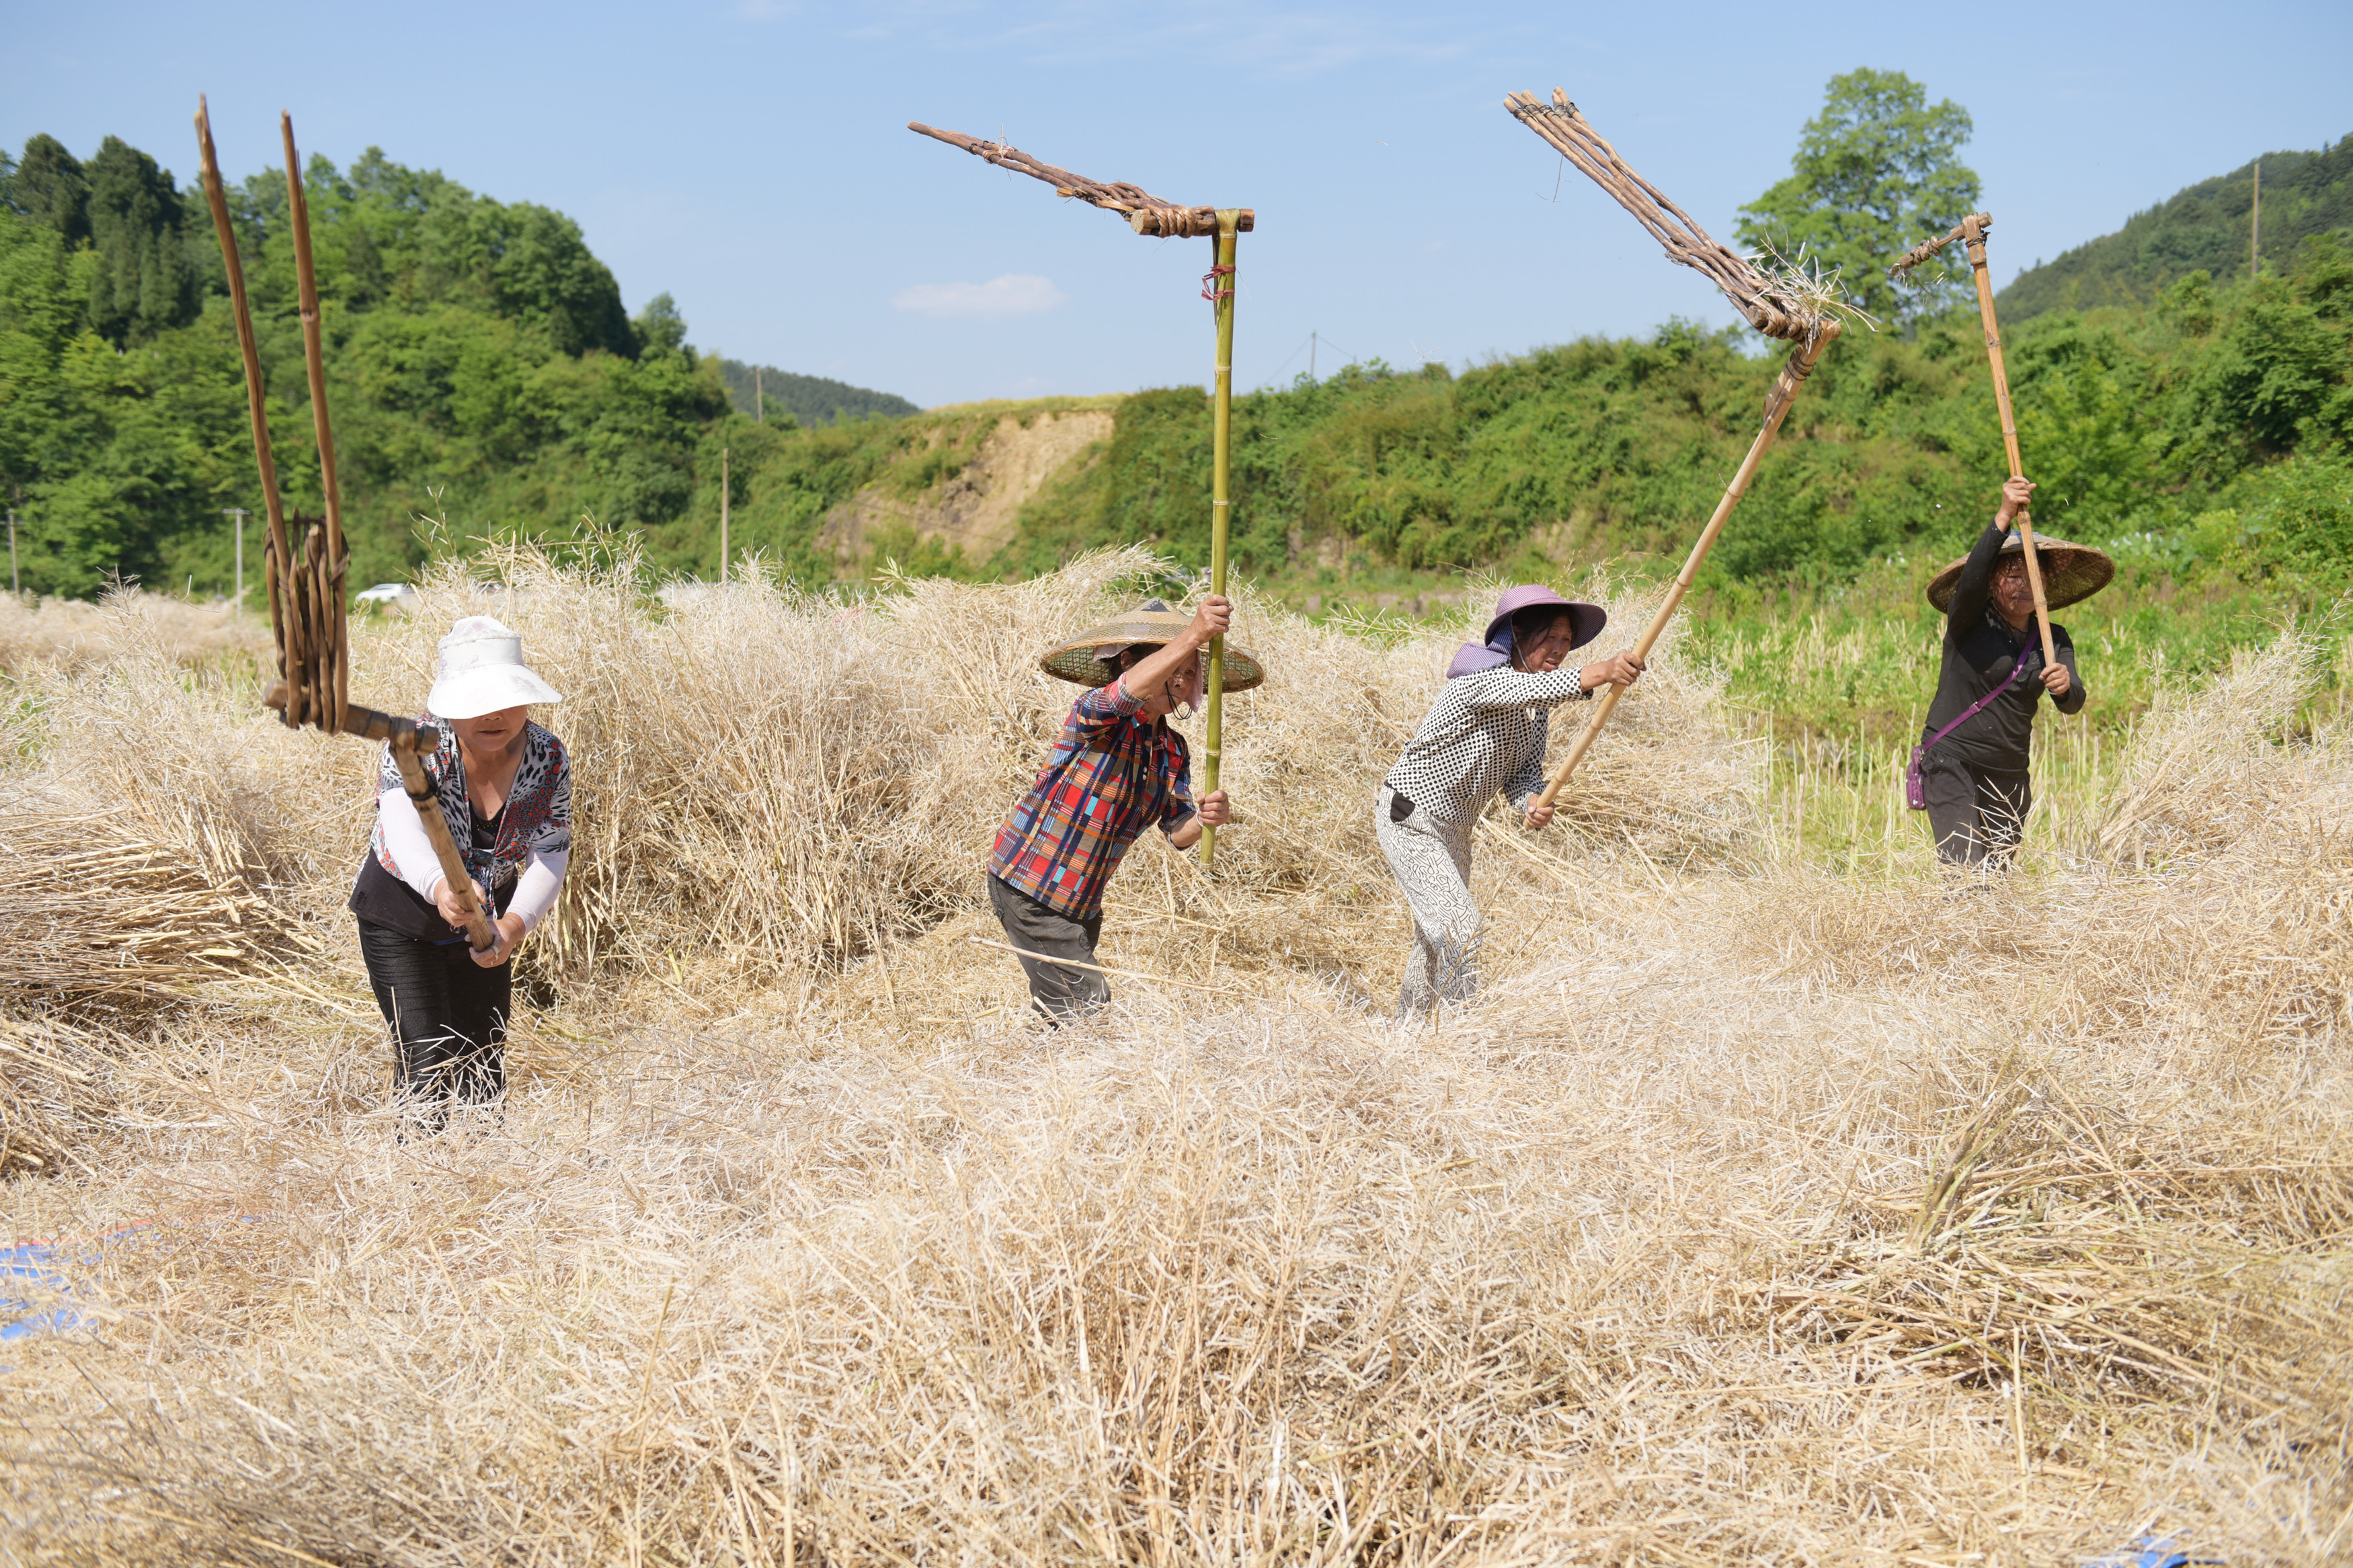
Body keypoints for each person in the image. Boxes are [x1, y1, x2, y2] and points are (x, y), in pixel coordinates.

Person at [1378, 585, 1646, 1021]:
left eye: (1567, 641)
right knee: (1460, 930)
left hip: (1453, 829)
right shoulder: (1480, 681)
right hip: (1407, 814)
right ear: (1518, 633)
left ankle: (1408, 1033)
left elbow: (1522, 776)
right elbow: (1526, 687)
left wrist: (1532, 803)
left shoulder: (1536, 708)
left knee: (1435, 939)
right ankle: (1460, 1036)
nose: (1560, 649)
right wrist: (1601, 671)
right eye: (1551, 638)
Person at [988, 595, 1261, 1022]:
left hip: (1081, 902)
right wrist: (1195, 634)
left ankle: (1038, 1075)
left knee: (1062, 1013)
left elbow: (1177, 832)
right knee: (1086, 1005)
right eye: (1175, 670)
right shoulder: (1095, 713)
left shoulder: (1172, 749)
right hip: (1032, 885)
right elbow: (1124, 697)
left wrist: (1206, 820)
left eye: (1191, 674)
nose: (1182, 682)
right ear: (1130, 663)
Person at [346, 616, 571, 1128]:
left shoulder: (549, 756)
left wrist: (514, 926)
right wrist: (440, 883)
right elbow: (401, 822)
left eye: (506, 699)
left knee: (483, 1063)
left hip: (487, 920)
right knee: (427, 1059)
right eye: (476, 702)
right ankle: (419, 1187)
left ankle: (484, 1185)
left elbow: (550, 851)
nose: (493, 715)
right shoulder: (419, 745)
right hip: (403, 915)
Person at [1917, 475, 2114, 869]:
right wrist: (2005, 514)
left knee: (1997, 879)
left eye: (2034, 575)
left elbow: (2074, 701)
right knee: (1966, 873)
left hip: (2008, 776)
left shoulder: (2052, 638)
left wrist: (2063, 687)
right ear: (1994, 580)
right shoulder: (1969, 622)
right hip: (1952, 762)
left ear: (2048, 582)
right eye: (2012, 574)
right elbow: (1970, 578)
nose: (2023, 585)